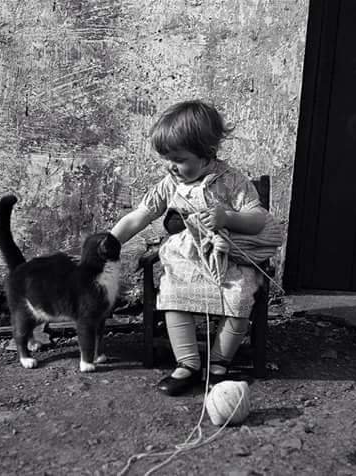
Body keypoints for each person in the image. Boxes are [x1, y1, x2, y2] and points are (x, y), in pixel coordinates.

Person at [110, 100, 267, 396]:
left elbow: (258, 219)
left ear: (206, 153)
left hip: (226, 261)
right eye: (167, 159)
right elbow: (140, 215)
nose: (171, 166)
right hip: (186, 261)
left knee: (239, 298)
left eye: (179, 159)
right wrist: (111, 240)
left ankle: (220, 362)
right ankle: (188, 363)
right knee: (173, 293)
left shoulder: (233, 181)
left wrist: (228, 216)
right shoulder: (170, 183)